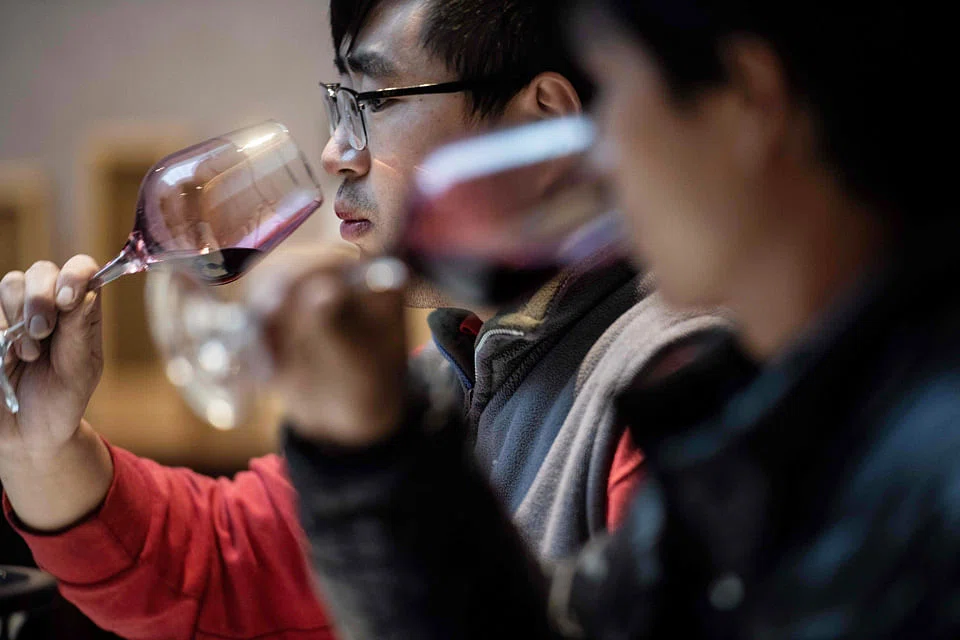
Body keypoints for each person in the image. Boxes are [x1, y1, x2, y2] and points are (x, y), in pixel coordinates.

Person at [0, 0, 727, 638]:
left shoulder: (678, 390)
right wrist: (42, 448)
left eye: (374, 101)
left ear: (543, 120)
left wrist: (370, 457)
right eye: (339, 102)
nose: (334, 153)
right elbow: (227, 565)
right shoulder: (459, 367)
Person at [279, 1, 959, 638]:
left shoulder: (925, 471)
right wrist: (368, 452)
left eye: (610, 88)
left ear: (750, 96)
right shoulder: (781, 410)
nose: (597, 151)